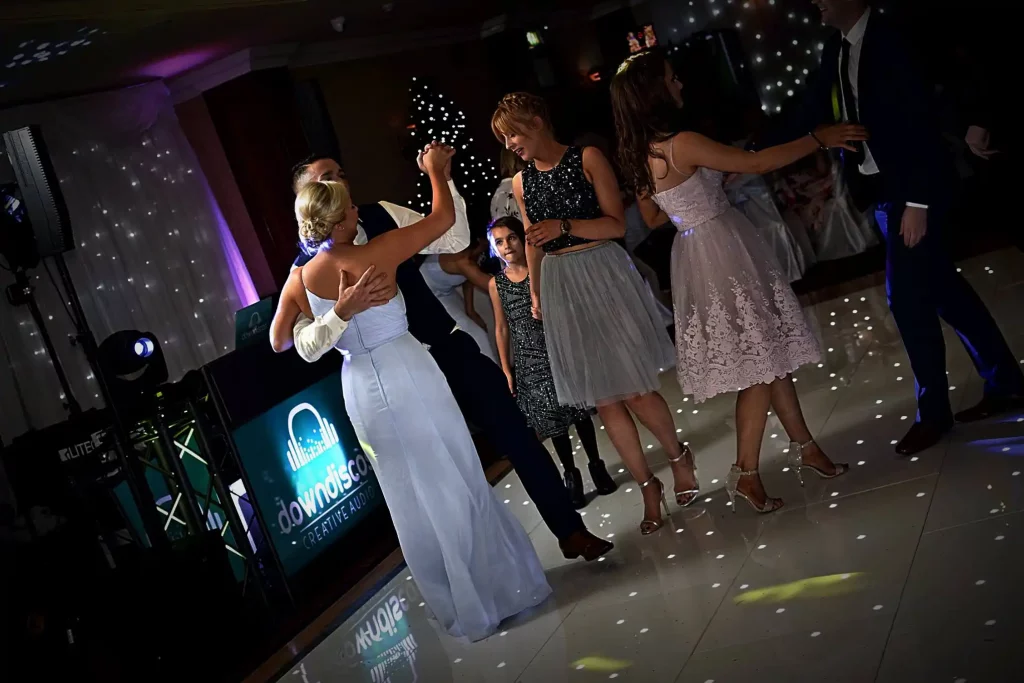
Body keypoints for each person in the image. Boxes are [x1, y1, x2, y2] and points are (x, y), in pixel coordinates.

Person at [272, 150, 613, 562]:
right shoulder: (304, 270)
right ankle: (476, 570)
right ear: (306, 197)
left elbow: (450, 237)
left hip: (447, 348)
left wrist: (442, 178)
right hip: (396, 380)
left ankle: (570, 530)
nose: (340, 182)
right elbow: (290, 339)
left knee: (516, 433)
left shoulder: (381, 216)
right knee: (442, 473)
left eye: (340, 173)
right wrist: (341, 313)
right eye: (327, 178)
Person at [282, 147, 550, 641]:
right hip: (408, 370)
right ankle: (495, 589)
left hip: (360, 386)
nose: (357, 206)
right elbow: (443, 219)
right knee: (453, 472)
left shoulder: (301, 276)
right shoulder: (373, 252)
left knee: (410, 495)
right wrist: (432, 172)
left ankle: (458, 602)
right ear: (337, 218)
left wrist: (331, 317)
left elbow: (285, 341)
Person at [757, 0, 1024, 454]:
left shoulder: (892, 36)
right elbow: (806, 113)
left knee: (907, 301)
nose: (815, 3)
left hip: (913, 193)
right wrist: (741, 154)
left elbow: (918, 117)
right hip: (881, 192)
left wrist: (917, 200)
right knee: (946, 293)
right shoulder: (834, 49)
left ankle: (934, 414)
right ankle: (1006, 382)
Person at [611, 51, 858, 513]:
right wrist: (817, 138)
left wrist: (695, 195)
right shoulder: (682, 141)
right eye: (670, 78)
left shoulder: (646, 151)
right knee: (762, 364)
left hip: (694, 250)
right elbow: (759, 163)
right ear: (655, 92)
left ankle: (807, 449)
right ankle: (746, 472)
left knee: (771, 356)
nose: (678, 83)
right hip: (722, 250)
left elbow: (649, 213)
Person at [492, 92, 697, 536]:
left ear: (537, 121)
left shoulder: (587, 157)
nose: (510, 142)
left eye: (513, 132)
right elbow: (531, 239)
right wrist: (535, 291)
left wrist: (564, 227)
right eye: (504, 137)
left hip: (603, 272)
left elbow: (617, 225)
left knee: (636, 388)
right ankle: (647, 485)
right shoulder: (521, 183)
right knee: (604, 399)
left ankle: (679, 458)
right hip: (560, 283)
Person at [487, 216, 618, 509]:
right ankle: (570, 475)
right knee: (553, 419)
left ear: (522, 239)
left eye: (511, 238)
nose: (507, 246)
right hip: (528, 358)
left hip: (559, 346)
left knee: (580, 411)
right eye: (499, 242)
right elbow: (501, 328)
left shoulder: (544, 265)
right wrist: (507, 369)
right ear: (493, 249)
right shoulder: (496, 284)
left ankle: (596, 465)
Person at [419, 238, 498, 363]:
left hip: (446, 291)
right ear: (478, 240)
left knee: (476, 327)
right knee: (476, 334)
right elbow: (492, 287)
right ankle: (495, 375)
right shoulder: (462, 260)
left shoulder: (470, 254)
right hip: (429, 295)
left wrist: (470, 310)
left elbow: (469, 278)